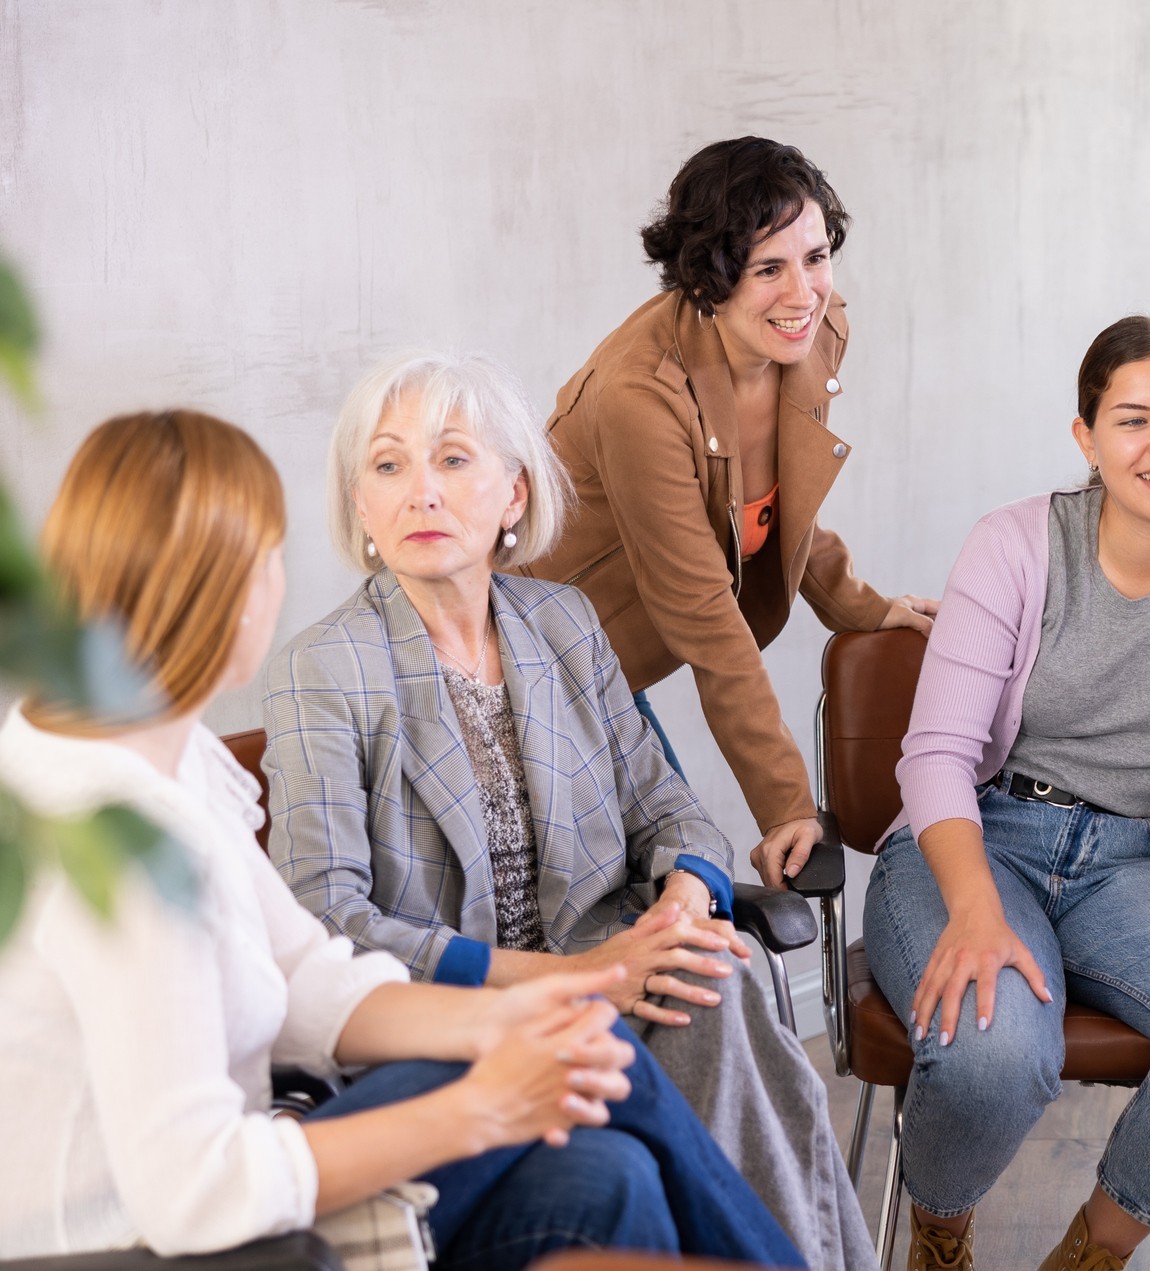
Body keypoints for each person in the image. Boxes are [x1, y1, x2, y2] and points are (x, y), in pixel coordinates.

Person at [0, 409, 799, 1270]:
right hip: (158, 1246)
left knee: (612, 1176)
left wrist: (516, 1012)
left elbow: (307, 976)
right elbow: (194, 1191)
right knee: (597, 1053)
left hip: (225, 1203)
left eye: (454, 460)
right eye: (270, 556)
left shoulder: (157, 744)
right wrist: (483, 1102)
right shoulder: (115, 845)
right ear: (226, 592)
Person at [263, 354, 873, 1269]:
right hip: (448, 1022)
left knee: (715, 965)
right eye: (389, 466)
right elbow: (327, 920)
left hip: (613, 975)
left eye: (453, 460)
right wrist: (580, 980)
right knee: (700, 1001)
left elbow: (671, 811)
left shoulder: (564, 622)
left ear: (514, 494)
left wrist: (681, 904)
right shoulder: (328, 667)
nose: (420, 491)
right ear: (361, 505)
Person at [867, 315, 1150, 1271]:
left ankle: (1091, 1254)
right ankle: (940, 1228)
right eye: (1133, 419)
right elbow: (936, 752)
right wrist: (977, 908)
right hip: (983, 838)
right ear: (1086, 437)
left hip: (1143, 863)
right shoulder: (1016, 543)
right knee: (993, 1051)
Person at [519, 135, 935, 891]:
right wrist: (785, 806)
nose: (803, 292)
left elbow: (778, 498)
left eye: (815, 256)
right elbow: (704, 611)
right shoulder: (640, 396)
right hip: (536, 674)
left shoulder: (814, 333)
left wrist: (862, 607)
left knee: (679, 890)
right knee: (636, 896)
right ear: (709, 276)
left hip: (615, 670)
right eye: (768, 268)